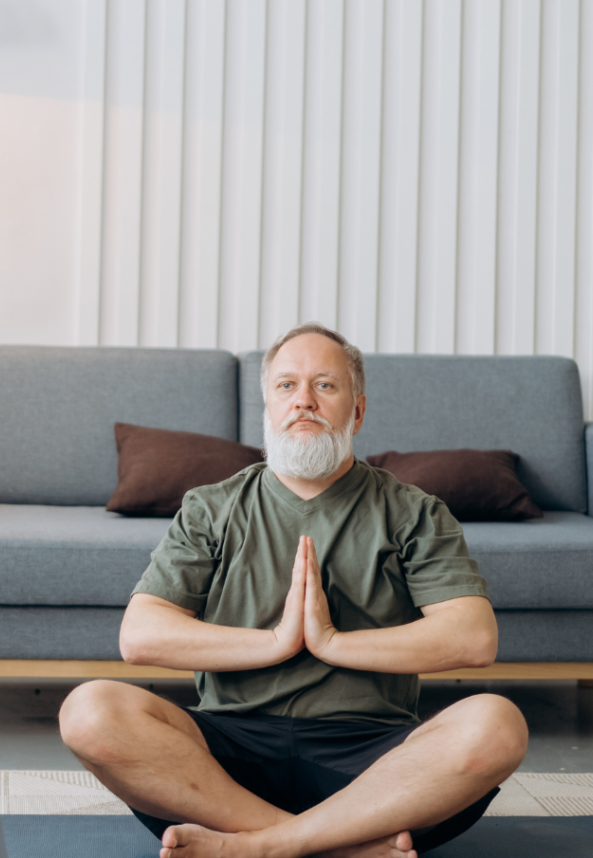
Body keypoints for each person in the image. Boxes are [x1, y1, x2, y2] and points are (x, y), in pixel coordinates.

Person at [59, 323, 528, 858]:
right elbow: (140, 637)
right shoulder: (210, 507)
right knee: (88, 710)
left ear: (358, 411)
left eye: (324, 385)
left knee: (497, 724)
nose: (303, 400)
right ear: (268, 406)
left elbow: (473, 639)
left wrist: (330, 642)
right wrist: (278, 641)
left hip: (373, 763)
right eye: (286, 386)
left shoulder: (414, 511)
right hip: (226, 761)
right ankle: (333, 846)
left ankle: (260, 848)